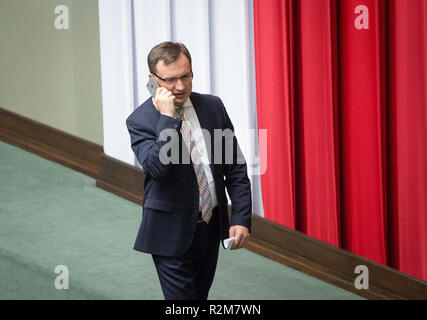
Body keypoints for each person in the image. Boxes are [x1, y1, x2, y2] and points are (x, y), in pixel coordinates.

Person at [126, 41, 252, 300]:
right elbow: (157, 168)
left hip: (210, 227)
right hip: (169, 233)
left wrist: (240, 217)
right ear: (153, 81)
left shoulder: (212, 107)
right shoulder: (140, 121)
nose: (181, 86)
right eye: (171, 80)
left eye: (186, 76)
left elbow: (235, 166)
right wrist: (169, 119)